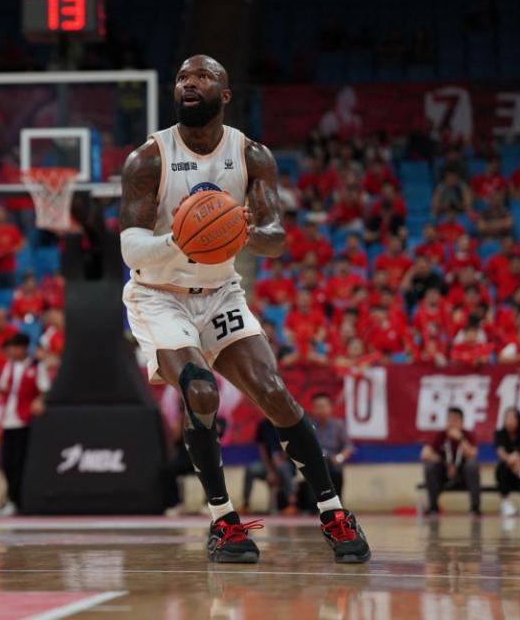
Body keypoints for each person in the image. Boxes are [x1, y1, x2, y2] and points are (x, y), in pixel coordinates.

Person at [119, 55, 369, 564]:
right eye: (182, 78)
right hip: (159, 294)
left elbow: (276, 238)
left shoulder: (252, 155)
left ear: (225, 94)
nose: (189, 83)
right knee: (201, 391)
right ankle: (224, 522)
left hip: (220, 293)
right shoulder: (148, 158)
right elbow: (131, 248)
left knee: (274, 392)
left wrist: (248, 232)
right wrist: (181, 239)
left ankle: (334, 512)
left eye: (202, 77)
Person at [0, 332, 49, 514]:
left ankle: (18, 501)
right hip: (8, 419)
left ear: (23, 347)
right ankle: (11, 499)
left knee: (20, 462)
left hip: (24, 420)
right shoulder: (9, 365)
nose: (11, 351)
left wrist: (39, 400)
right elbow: (3, 389)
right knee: (6, 462)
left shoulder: (37, 365)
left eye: (14, 347)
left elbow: (44, 389)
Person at [420, 407, 480, 515]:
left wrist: (461, 439)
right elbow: (425, 454)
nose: (451, 423)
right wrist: (445, 463)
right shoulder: (440, 435)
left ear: (461, 422)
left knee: (472, 466)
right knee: (430, 467)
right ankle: (433, 507)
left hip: (462, 473)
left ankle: (475, 508)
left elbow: (473, 454)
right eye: (449, 419)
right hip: (444, 471)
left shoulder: (468, 435)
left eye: (455, 420)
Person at [241, 418, 297, 514]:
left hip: (286, 462)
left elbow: (294, 445)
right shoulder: (263, 424)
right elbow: (262, 448)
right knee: (250, 470)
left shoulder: (288, 421)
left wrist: (282, 457)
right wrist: (270, 471)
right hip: (268, 465)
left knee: (283, 468)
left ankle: (291, 504)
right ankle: (246, 504)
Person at [308, 393, 353, 500]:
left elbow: (348, 447)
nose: (321, 409)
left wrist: (339, 458)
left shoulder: (339, 425)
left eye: (323, 406)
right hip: (315, 463)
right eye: (317, 406)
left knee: (336, 472)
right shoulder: (309, 426)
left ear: (330, 407)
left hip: (333, 462)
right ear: (313, 408)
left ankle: (338, 504)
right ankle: (313, 507)